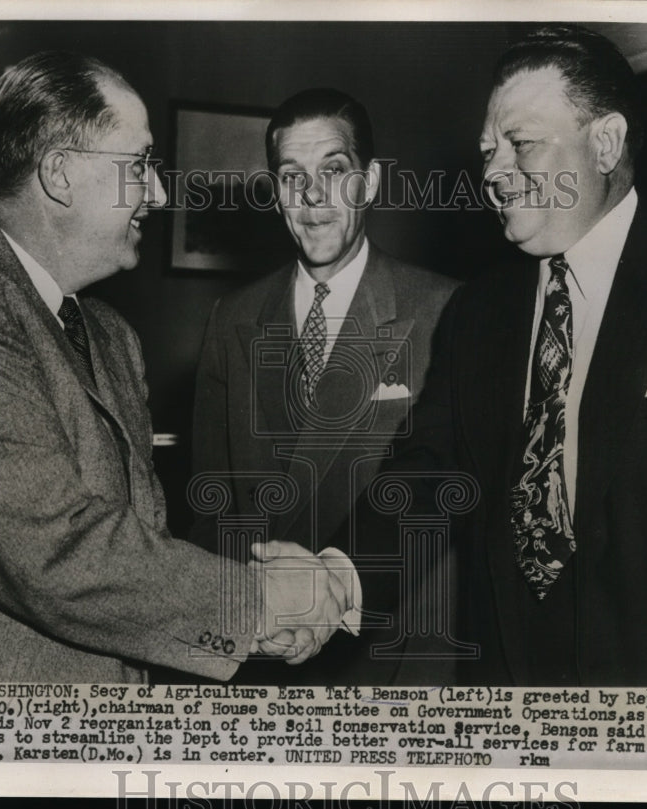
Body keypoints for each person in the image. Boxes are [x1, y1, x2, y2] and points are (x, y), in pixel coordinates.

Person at [0, 51, 347, 683]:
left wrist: (259, 605)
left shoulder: (112, 337)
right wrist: (260, 602)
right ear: (60, 174)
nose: (159, 192)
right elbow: (51, 549)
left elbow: (134, 547)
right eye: (140, 164)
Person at [350, 25, 647, 686]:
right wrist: (337, 575)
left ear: (605, 143)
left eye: (520, 143)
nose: (492, 172)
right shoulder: (475, 311)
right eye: (488, 150)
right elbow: (429, 473)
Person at [189, 88, 459, 683]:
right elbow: (211, 509)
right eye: (292, 177)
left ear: (371, 181)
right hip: (264, 655)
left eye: (334, 172)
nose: (312, 197)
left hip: (388, 661)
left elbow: (451, 509)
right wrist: (249, 622)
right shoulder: (232, 318)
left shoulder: (445, 310)